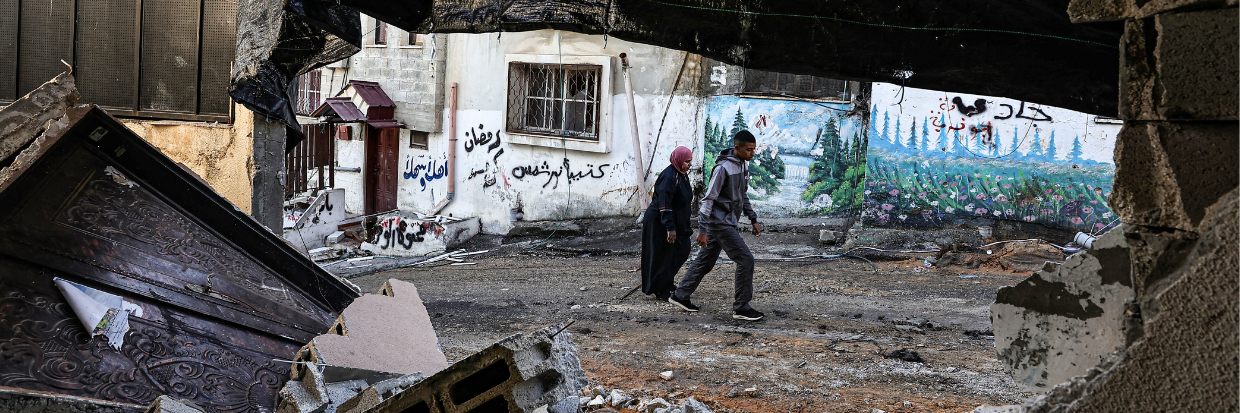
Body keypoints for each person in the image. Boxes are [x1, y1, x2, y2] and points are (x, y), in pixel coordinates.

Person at [668, 130, 765, 321]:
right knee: (746, 260)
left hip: (727, 221)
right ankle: (741, 307)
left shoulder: (743, 165)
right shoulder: (723, 168)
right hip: (720, 223)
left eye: (754, 150)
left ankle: (680, 295)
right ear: (736, 148)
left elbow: (742, 195)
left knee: (705, 260)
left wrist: (753, 219)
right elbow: (708, 200)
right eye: (748, 150)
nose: (752, 153)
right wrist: (702, 230)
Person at [639, 146, 695, 300]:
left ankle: (666, 282)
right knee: (661, 255)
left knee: (679, 251)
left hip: (675, 222)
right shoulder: (669, 177)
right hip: (660, 223)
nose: (689, 165)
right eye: (687, 161)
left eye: (690, 161)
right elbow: (664, 204)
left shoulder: (681, 174)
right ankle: (660, 289)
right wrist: (670, 228)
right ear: (678, 160)